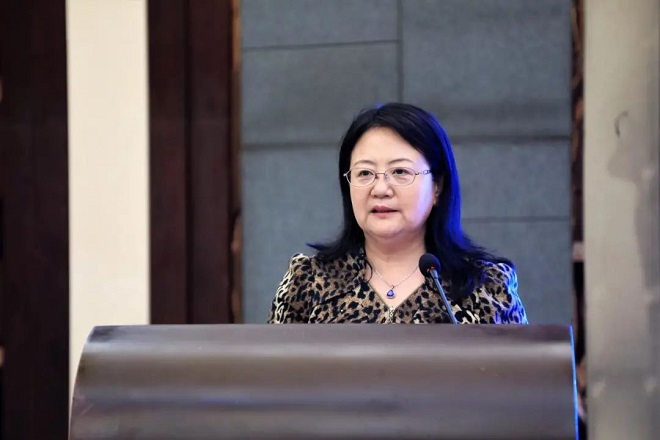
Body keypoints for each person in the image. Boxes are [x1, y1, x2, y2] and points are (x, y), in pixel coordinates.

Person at [267, 103, 528, 324]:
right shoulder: (308, 281)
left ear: (437, 187)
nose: (380, 189)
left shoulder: (485, 287)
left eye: (400, 172)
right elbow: (271, 369)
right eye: (365, 173)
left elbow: (519, 370)